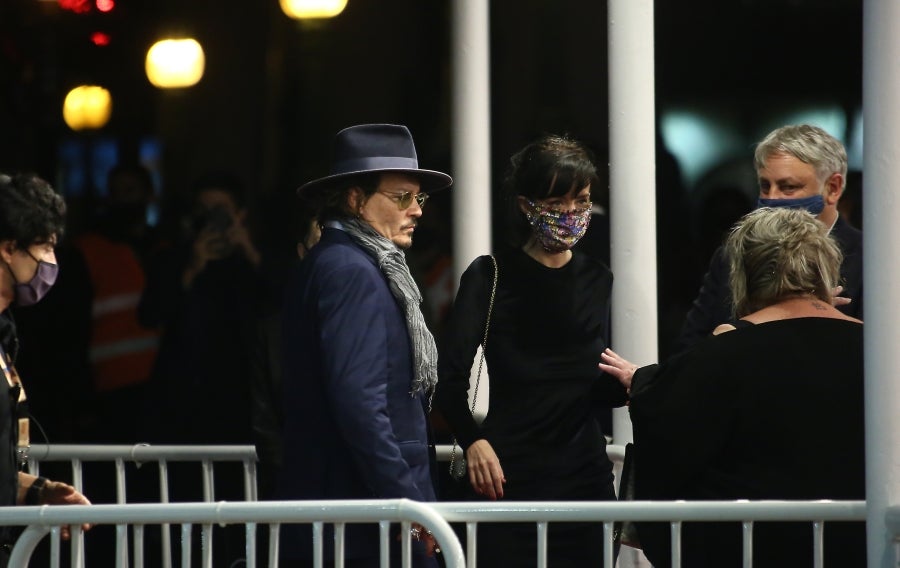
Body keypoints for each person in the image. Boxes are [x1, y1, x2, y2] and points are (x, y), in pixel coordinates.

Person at [600, 207, 865, 567]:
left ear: (745, 271)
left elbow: (670, 435)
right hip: (860, 544)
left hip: (752, 547)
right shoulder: (878, 348)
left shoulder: (725, 351)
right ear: (823, 267)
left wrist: (647, 385)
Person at [434, 134, 628, 566]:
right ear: (526, 205)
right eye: (558, 201)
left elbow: (584, 384)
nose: (572, 213)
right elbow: (447, 384)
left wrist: (631, 382)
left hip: (585, 478)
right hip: (507, 474)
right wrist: (473, 442)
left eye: (582, 200)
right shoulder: (490, 276)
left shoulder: (597, 278)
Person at [277, 124, 451, 566]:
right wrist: (407, 503)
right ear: (356, 200)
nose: (417, 211)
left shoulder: (341, 260)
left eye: (420, 198)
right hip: (363, 511)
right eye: (401, 198)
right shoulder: (351, 269)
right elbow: (359, 402)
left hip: (356, 501)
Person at [674, 124, 862, 353]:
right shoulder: (732, 255)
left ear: (833, 188)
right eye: (765, 186)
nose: (772, 198)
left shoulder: (871, 262)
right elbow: (688, 352)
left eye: (788, 187)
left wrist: (815, 319)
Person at [0, 172, 92, 563]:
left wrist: (35, 489)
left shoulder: (5, 335)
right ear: (8, 248)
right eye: (44, 246)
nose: (51, 262)